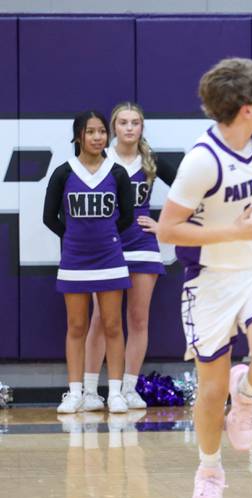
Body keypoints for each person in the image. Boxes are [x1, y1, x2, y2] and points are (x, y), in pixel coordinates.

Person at [156, 57, 252, 498]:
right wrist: (230, 233)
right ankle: (209, 474)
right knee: (209, 389)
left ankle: (246, 397)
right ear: (246, 106)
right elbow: (167, 229)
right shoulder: (201, 162)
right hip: (211, 281)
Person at [82, 102, 178, 413]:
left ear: (141, 128)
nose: (129, 128)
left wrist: (164, 225)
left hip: (143, 246)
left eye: (134, 122)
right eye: (122, 122)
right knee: (100, 319)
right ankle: (89, 391)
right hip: (108, 247)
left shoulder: (151, 161)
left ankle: (129, 388)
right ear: (113, 128)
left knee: (138, 319)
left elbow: (190, 194)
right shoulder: (100, 159)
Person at [42, 111, 134, 414]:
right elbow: (49, 217)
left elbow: (127, 217)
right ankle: (74, 393)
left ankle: (117, 393)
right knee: (76, 325)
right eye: (90, 132)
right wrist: (73, 239)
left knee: (112, 324)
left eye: (101, 132)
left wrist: (106, 236)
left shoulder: (117, 172)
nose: (97, 137)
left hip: (110, 258)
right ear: (78, 136)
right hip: (74, 259)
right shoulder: (63, 172)